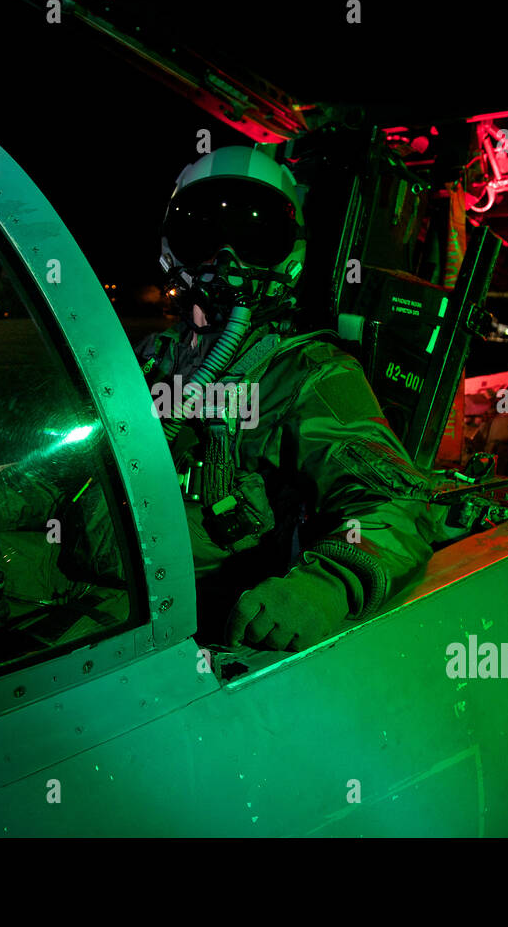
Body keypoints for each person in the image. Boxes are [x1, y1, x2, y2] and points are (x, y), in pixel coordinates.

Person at [139, 145, 439, 651]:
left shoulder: (308, 373)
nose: (226, 261)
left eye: (253, 238)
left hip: (186, 619)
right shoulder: (154, 354)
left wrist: (328, 584)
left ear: (290, 252)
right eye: (205, 236)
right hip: (111, 583)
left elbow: (396, 505)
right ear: (175, 246)